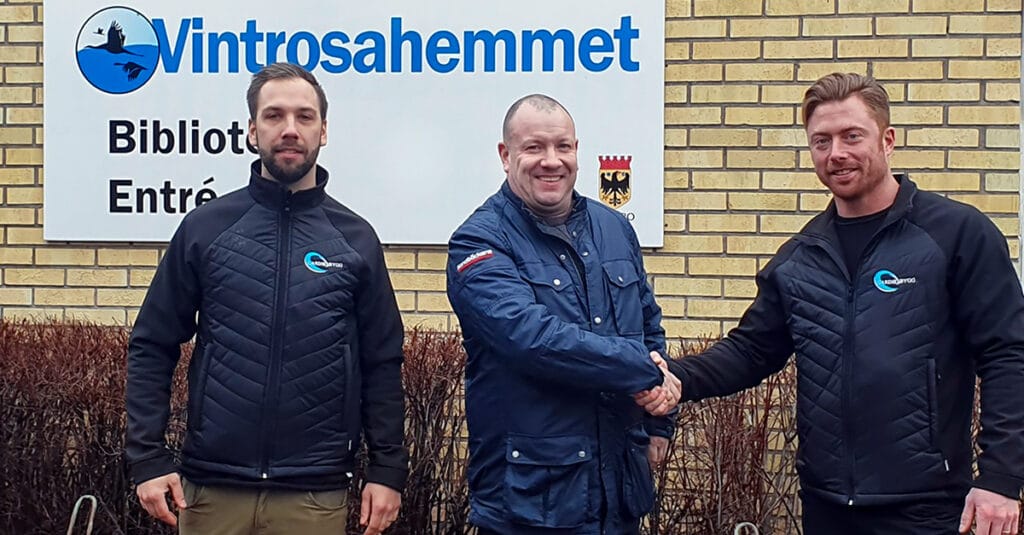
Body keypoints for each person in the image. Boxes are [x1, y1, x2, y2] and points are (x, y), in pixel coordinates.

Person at [661, 72, 1024, 535]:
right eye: (821, 141)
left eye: (852, 136)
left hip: (927, 507)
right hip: (826, 505)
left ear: (887, 140)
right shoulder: (802, 257)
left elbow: (1008, 354)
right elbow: (751, 351)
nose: (836, 153)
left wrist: (1001, 478)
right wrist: (676, 377)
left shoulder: (956, 235)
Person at [125, 62, 407, 535]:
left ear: (323, 131)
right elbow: (152, 344)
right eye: (274, 115)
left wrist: (387, 470)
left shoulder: (355, 240)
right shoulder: (206, 228)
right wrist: (147, 458)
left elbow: (382, 361)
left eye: (304, 116)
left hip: (313, 495)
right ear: (253, 131)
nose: (290, 129)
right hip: (211, 492)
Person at [446, 94, 681, 534]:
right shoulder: (479, 242)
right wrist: (644, 372)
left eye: (563, 147)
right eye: (534, 147)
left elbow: (648, 324)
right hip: (533, 501)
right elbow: (533, 340)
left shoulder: (614, 228)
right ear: (506, 155)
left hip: (618, 492)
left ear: (577, 151)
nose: (551, 161)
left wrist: (659, 420)